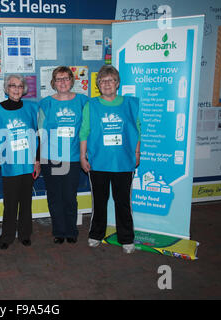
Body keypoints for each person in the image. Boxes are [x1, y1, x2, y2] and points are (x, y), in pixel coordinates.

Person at [79, 65, 141, 254]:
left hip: (123, 162)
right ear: (98, 85)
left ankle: (127, 238)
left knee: (123, 202)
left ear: (117, 83)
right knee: (99, 201)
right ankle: (96, 234)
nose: (107, 84)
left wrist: (137, 153)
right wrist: (83, 156)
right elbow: (84, 132)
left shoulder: (130, 104)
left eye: (111, 80)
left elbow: (137, 130)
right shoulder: (91, 105)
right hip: (99, 162)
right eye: (103, 81)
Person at [39, 66, 89, 244]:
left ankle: (71, 231)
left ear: (72, 81)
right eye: (58, 79)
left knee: (69, 196)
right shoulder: (45, 103)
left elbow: (87, 129)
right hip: (50, 157)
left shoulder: (83, 101)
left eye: (66, 78)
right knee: (54, 197)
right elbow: (41, 133)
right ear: (53, 83)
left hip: (73, 157)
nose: (62, 82)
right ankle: (59, 232)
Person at [0, 74, 40, 249]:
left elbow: (38, 135)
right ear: (6, 88)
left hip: (28, 164)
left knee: (26, 202)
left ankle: (25, 234)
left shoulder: (31, 108)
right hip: (9, 164)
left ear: (24, 89)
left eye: (20, 86)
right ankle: (7, 236)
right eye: (13, 85)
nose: (16, 89)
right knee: (10, 203)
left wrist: (37, 161)